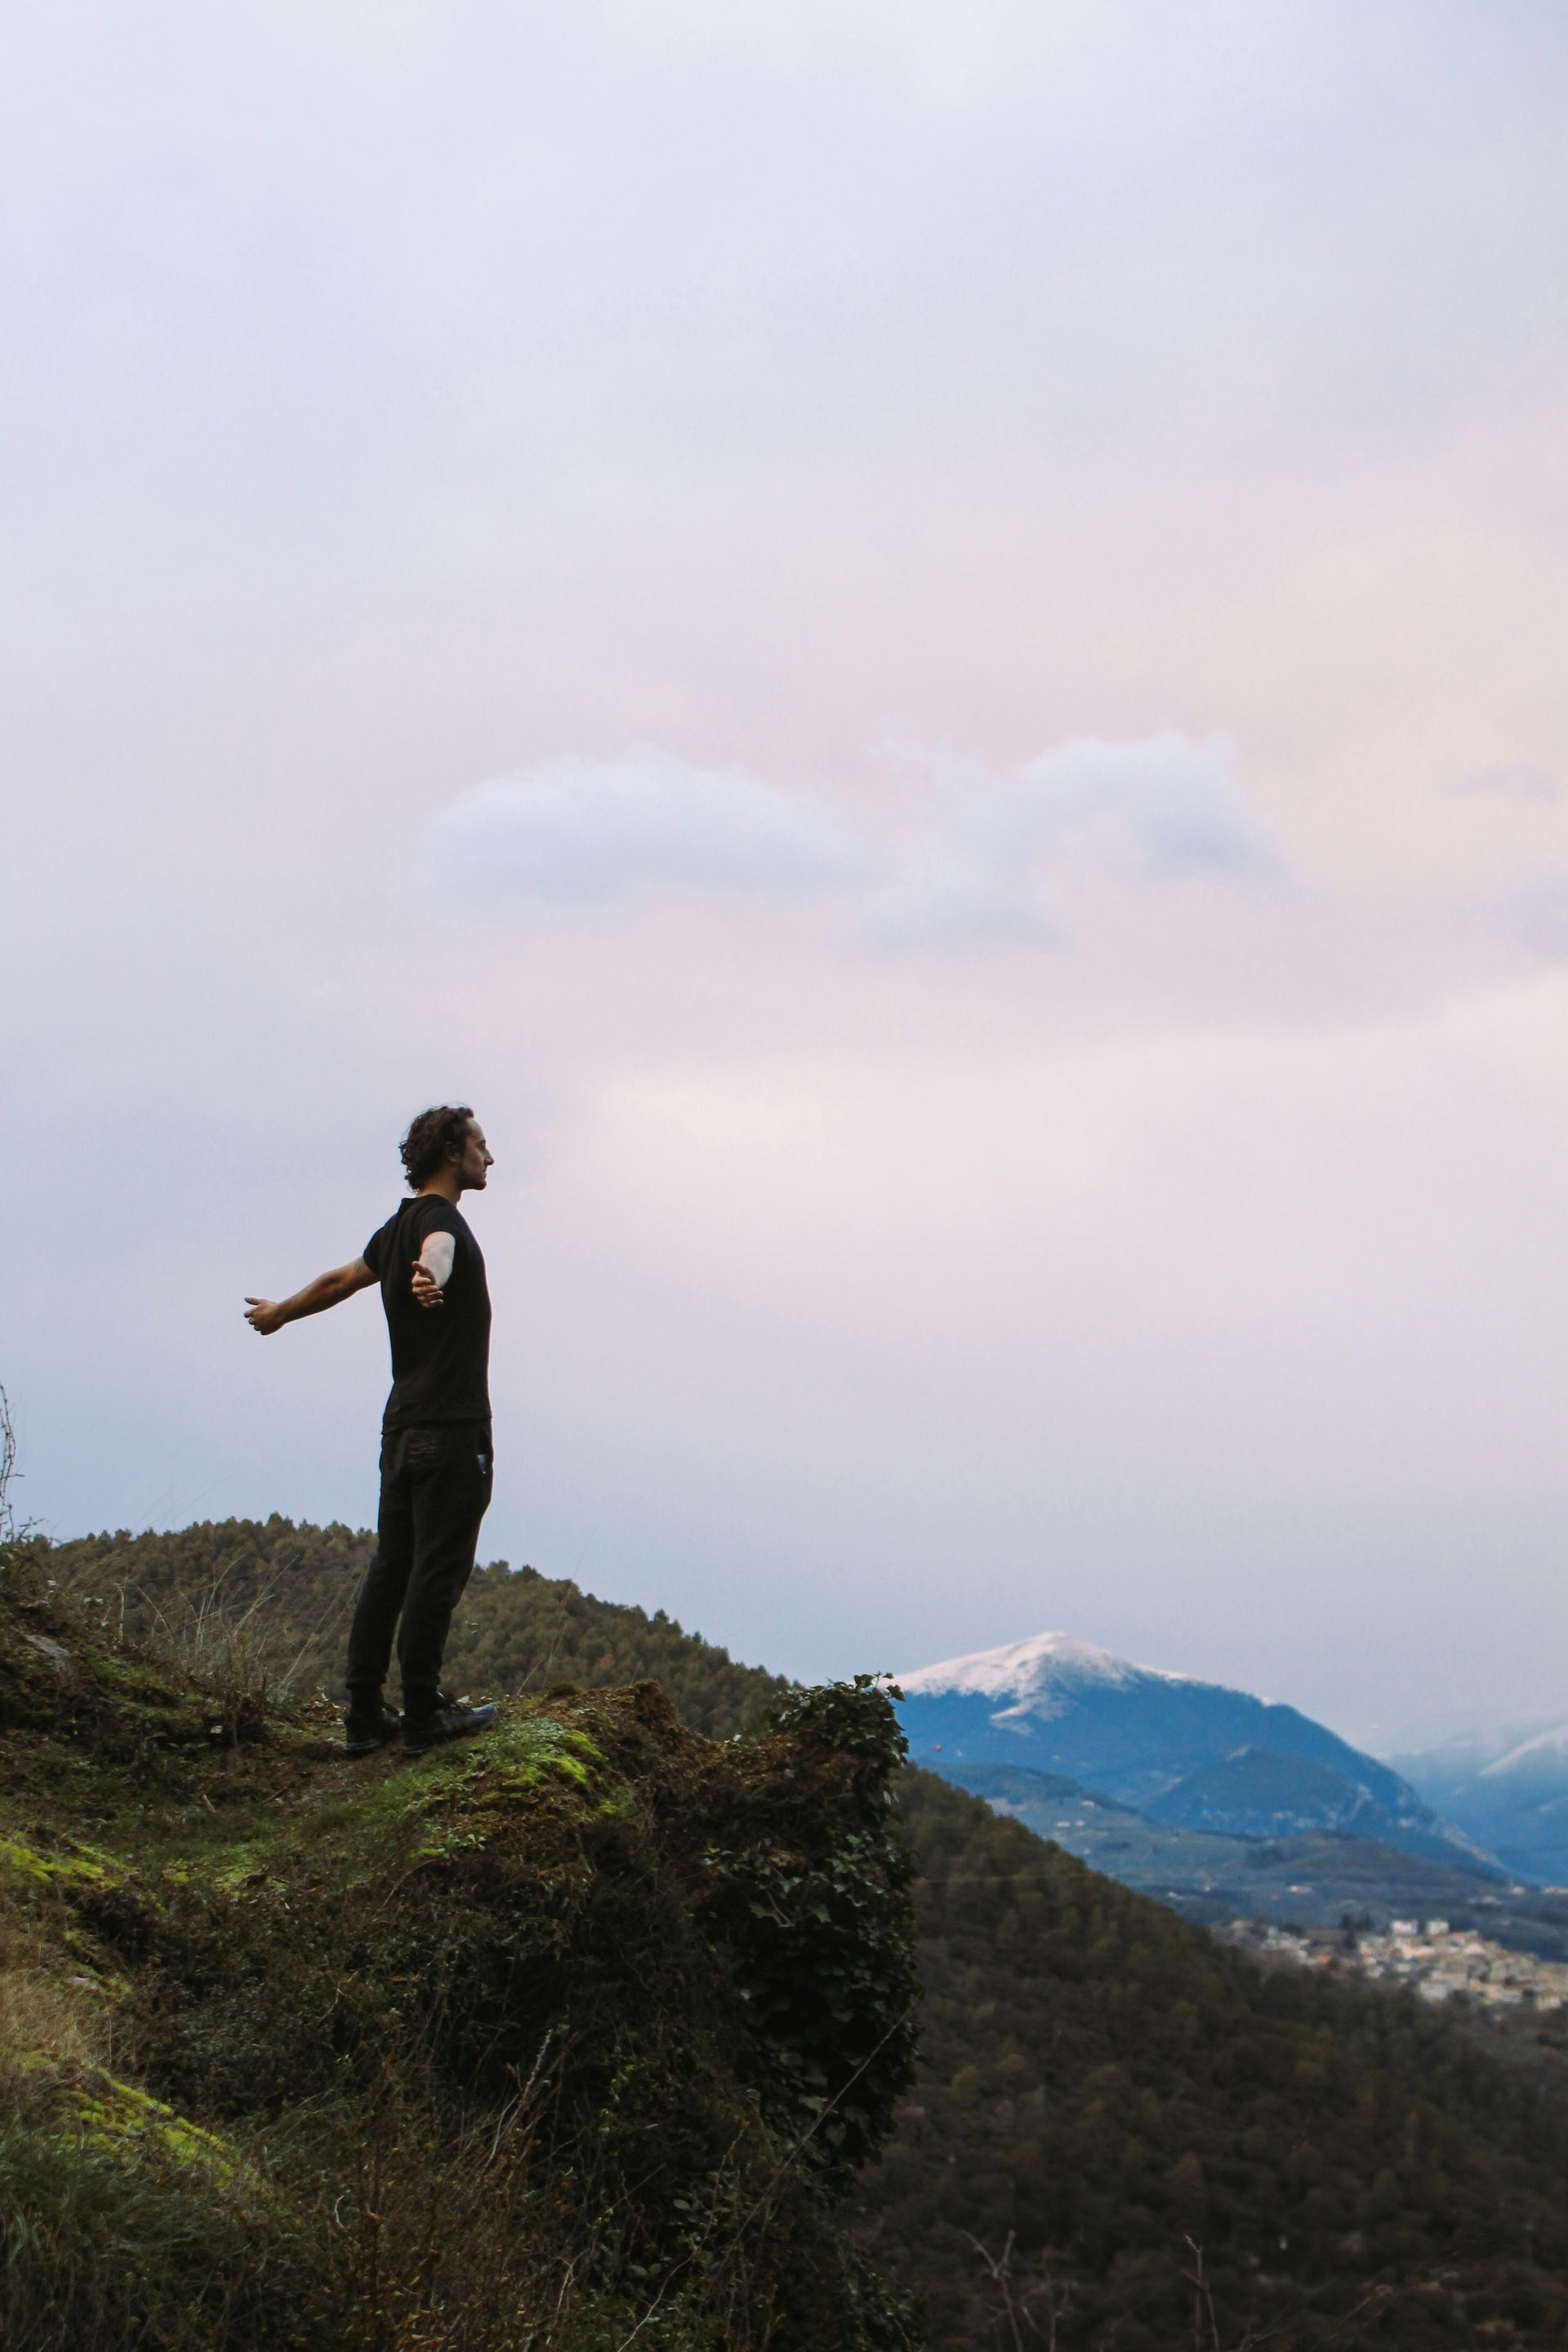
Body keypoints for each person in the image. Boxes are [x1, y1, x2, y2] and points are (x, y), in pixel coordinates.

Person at [244, 1106, 500, 1755]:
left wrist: (281, 1313)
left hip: (400, 1431)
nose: (489, 1157)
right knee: (436, 1571)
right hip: (450, 1430)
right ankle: (421, 1714)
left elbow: (339, 1281)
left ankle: (363, 1713)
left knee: (392, 1566)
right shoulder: (439, 1225)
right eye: (480, 1145)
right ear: (451, 1151)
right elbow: (438, 1252)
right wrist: (431, 1274)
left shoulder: (393, 1230)